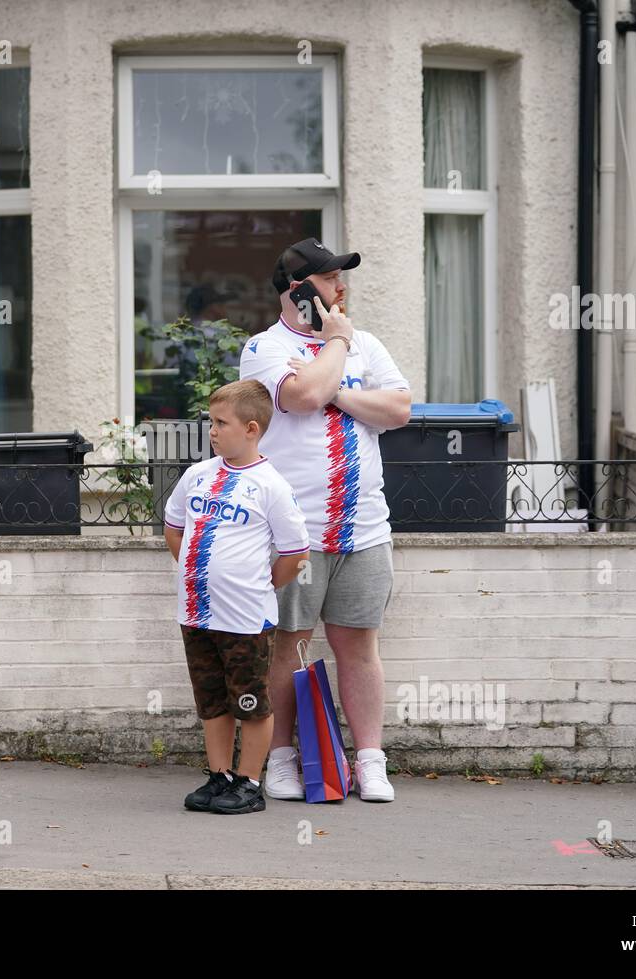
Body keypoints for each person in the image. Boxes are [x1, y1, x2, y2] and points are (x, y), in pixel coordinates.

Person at [239, 237, 412, 803]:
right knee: (288, 646)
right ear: (300, 291)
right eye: (332, 279)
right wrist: (334, 351)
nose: (343, 289)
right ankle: (285, 759)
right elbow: (302, 398)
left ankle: (369, 760)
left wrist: (332, 382)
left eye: (343, 277)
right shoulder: (264, 349)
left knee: (359, 645)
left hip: (364, 527)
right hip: (296, 532)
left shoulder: (365, 344)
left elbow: (399, 410)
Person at [163, 379, 310, 814]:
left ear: (251, 429)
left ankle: (249, 783)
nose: (212, 430)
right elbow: (175, 529)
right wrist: (198, 571)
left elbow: (296, 553)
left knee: (250, 702)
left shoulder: (271, 486)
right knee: (211, 701)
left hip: (245, 618)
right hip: (196, 612)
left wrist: (263, 583)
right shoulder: (197, 476)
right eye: (211, 421)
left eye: (221, 423)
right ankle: (220, 774)